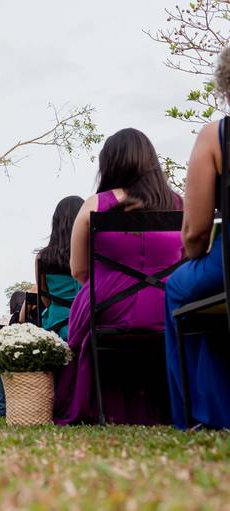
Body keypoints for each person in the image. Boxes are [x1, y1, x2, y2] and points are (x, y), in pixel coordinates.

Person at [54, 128, 183, 426]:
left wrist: (110, 289)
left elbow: (78, 270)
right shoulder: (180, 204)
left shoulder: (95, 204)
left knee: (84, 310)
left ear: (109, 163)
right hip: (169, 308)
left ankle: (99, 405)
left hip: (108, 307)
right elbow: (189, 257)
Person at [164, 49, 230, 431]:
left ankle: (200, 415)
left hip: (224, 264)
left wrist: (193, 256)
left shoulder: (215, 137)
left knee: (180, 289)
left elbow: (196, 231)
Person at [34, 196, 84, 339]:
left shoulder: (42, 258)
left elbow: (46, 299)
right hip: (89, 322)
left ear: (56, 223)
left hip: (57, 328)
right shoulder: (92, 254)